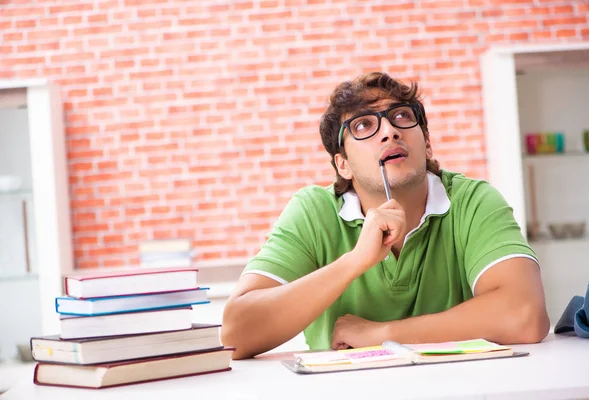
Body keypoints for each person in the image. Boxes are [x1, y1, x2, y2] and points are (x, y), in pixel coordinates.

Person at [221, 72, 550, 359]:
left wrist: (383, 335)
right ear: (343, 165)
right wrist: (356, 260)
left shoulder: (472, 201)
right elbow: (236, 334)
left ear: (427, 144)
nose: (390, 131)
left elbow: (524, 314)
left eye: (403, 117)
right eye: (364, 125)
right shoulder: (312, 211)